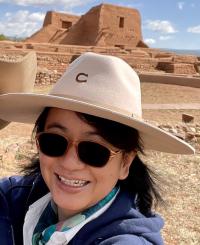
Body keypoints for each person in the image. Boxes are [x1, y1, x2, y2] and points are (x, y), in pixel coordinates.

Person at [0, 52, 194, 245]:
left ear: (125, 163)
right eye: (54, 142)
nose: (70, 163)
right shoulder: (14, 198)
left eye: (93, 151)